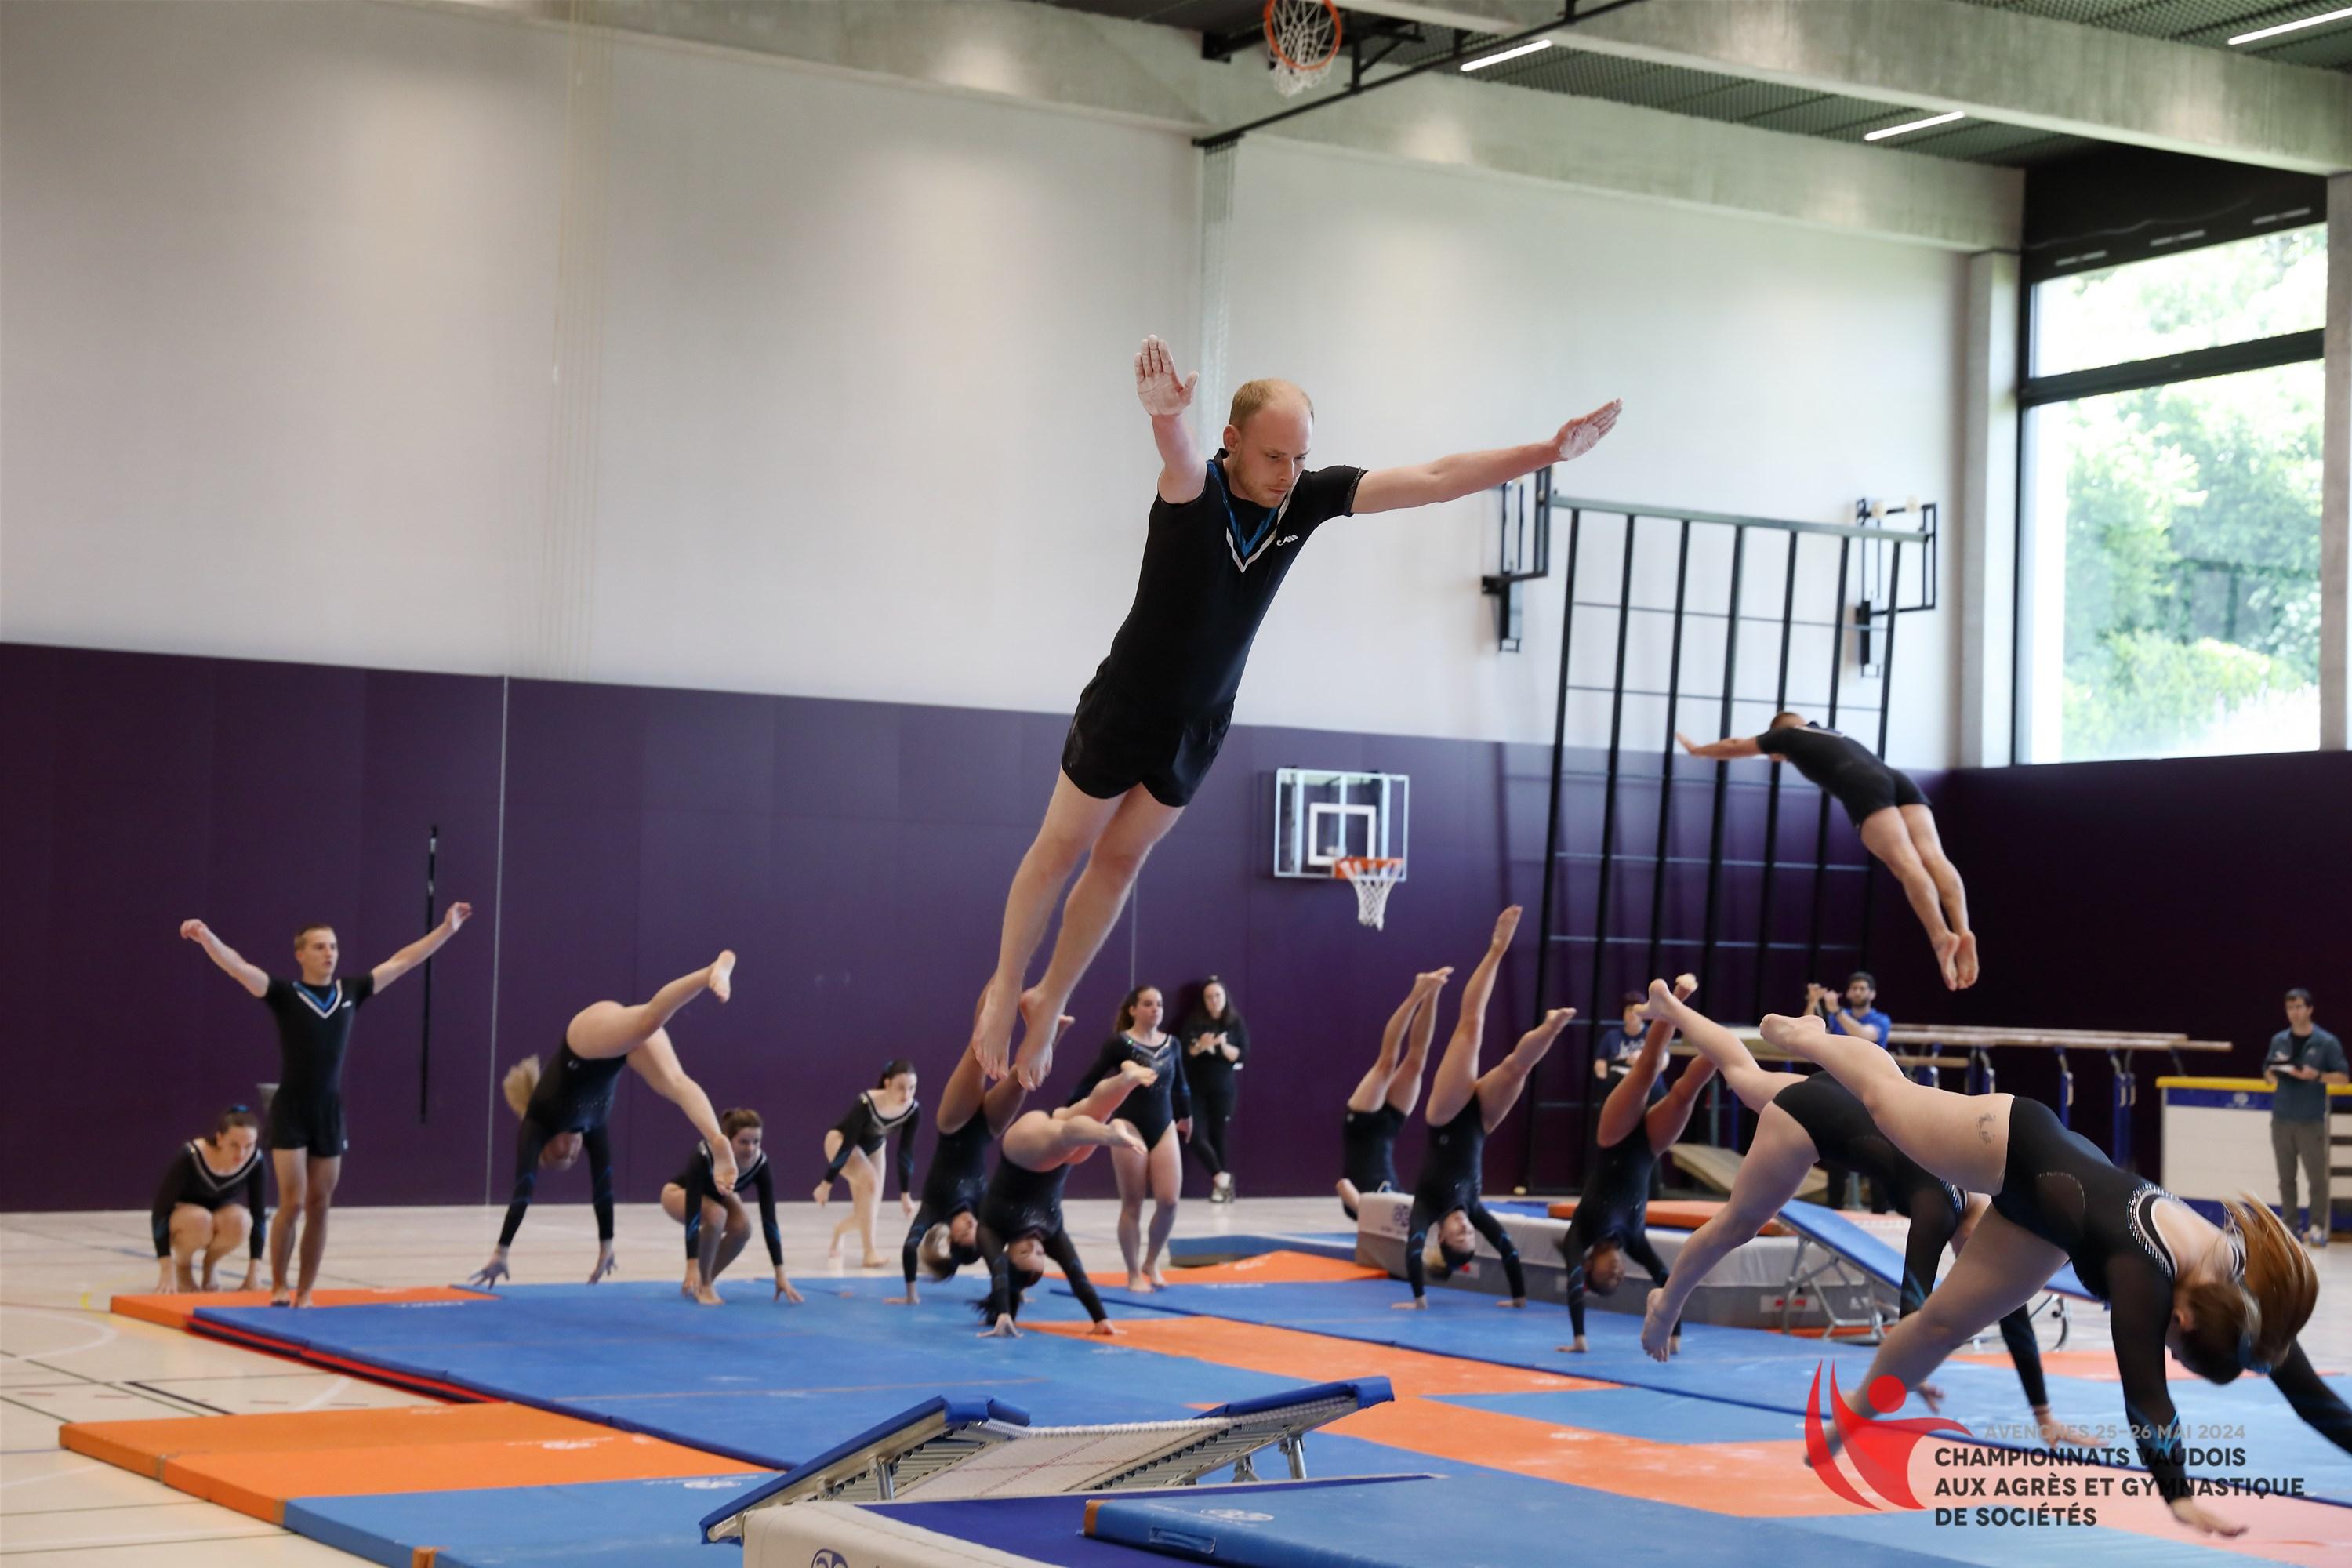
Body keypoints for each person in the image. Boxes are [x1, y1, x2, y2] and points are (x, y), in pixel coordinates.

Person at [969, 339, 1623, 1090]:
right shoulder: (1195, 494)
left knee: (1120, 862)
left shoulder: (1304, 499)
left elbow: (1436, 479)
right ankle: (1005, 988)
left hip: (1200, 726)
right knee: (1063, 847)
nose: (1289, 473)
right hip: (1125, 705)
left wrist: (1548, 452)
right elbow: (1177, 456)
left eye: (1301, 457)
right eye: (1274, 456)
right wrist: (1164, 417)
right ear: (1233, 441)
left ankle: (1051, 997)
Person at [1761, 1008, 2349, 1537]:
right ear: (2183, 1317)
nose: (2165, 1349)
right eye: (2175, 1347)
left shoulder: (2249, 1314)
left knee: (1939, 1328)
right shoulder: (2143, 1277)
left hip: (2049, 1223)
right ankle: (1808, 1037)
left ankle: (1859, 1409)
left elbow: (2314, 1400)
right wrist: (2179, 1496)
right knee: (1887, 1100)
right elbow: (2147, 1396)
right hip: (2012, 1145)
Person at [1635, 983, 2093, 1449]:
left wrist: (2044, 1415)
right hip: (1806, 1125)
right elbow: (1915, 1316)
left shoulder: (1974, 1178)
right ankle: (1667, 1304)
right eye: (1972, 1250)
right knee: (1737, 1224)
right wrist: (1910, 1376)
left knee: (1743, 1072)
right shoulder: (1940, 1209)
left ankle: (1671, 1007)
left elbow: (2011, 1315)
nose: (1971, 1258)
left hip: (1847, 1088)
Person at [180, 906, 473, 1305]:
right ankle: (279, 1285)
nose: (329, 953)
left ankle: (305, 1291)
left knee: (320, 1204)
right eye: (319, 947)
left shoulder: (350, 991)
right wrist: (206, 937)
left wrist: (446, 929)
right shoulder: (285, 994)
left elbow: (404, 961)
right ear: (300, 954)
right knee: (293, 1202)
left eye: (333, 947)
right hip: (291, 1110)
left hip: (329, 1113)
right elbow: (238, 967)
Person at [468, 952, 737, 1288]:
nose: (571, 1152)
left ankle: (712, 970)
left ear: (546, 1144)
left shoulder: (538, 1120)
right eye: (573, 1158)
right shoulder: (591, 1128)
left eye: (560, 1154)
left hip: (583, 1042)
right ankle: (716, 1140)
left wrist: (502, 1251)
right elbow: (603, 1190)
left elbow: (523, 1191)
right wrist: (606, 1247)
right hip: (617, 1053)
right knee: (675, 1083)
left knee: (648, 1022)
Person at [1676, 713, 1975, 990]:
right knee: (1934, 857)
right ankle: (1962, 929)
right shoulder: (1831, 733)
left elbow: (1736, 745)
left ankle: (1940, 936)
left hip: (1862, 784)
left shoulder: (1786, 735)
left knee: (1907, 865)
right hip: (1898, 779)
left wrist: (1698, 750)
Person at [1399, 906, 1574, 1310]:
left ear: (1441, 1237)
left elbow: (1412, 1250)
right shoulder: (1475, 1210)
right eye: (1470, 1236)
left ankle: (1497, 948)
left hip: (1446, 1115)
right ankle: (1552, 1027)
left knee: (1471, 1027)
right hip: (1481, 1122)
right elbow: (1508, 1248)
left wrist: (1419, 1298)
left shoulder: (1426, 1206)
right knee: (1517, 1067)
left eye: (1458, 1236)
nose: (1466, 1229)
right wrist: (1518, 1298)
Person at [1555, 975, 1713, 1354]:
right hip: (1648, 1149)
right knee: (1684, 1094)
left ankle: (1676, 997)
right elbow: (1668, 1280)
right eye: (1620, 1279)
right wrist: (1674, 1336)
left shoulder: (1580, 1236)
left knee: (1645, 1071)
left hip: (1614, 1135)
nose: (1617, 1273)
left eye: (1606, 1277)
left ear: (1589, 1268)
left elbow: (1573, 1285)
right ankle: (1721, 1044)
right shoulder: (1635, 1242)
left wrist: (1579, 1340)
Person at [974, 1062, 1161, 1338]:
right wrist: (1101, 1319)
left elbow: (999, 1273)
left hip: (1022, 1150)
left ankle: (1111, 1134)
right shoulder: (1052, 1233)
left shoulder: (992, 1228)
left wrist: (1004, 1314)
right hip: (1062, 1155)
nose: (1034, 1248)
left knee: (1066, 1137)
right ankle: (1127, 1079)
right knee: (1096, 1111)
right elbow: (1078, 1278)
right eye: (1040, 1255)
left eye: (1024, 1254)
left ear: (1008, 1254)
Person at [889, 1021, 1057, 1307]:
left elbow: (909, 1246)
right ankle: (1052, 1029)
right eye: (974, 1230)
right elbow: (1005, 1250)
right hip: (987, 1128)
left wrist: (911, 1295)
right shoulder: (985, 1212)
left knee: (980, 1050)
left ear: (949, 1239)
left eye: (964, 1232)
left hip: (953, 1123)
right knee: (1024, 1078)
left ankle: (996, 1007)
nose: (971, 1224)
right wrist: (1016, 1291)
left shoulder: (934, 1208)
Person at [1065, 986, 1189, 1293]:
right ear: (1133, 1010)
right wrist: (1071, 1112)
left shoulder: (1172, 1044)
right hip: (1129, 1124)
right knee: (1132, 1203)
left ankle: (1151, 1262)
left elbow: (1181, 1085)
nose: (1155, 1009)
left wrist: (1186, 1115)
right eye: (1148, 1004)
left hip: (1164, 1125)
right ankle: (1133, 1272)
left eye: (1159, 1004)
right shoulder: (1119, 1043)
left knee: (1169, 1201)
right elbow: (1089, 1080)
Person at [1338, 967, 1452, 1220]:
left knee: (1386, 1062)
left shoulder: (1358, 1209)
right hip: (1388, 1129)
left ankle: (1416, 994)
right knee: (1417, 1061)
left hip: (1361, 1126)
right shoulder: (1400, 1202)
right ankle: (1432, 992)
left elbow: (1342, 1186)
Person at [662, 1109, 800, 1305]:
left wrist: (781, 1274)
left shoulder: (760, 1164)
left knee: (743, 1228)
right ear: (727, 1140)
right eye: (743, 1142)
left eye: (756, 1142)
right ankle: (705, 1284)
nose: (751, 1149)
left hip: (720, 1195)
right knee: (717, 1215)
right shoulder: (705, 1154)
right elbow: (693, 1208)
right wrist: (691, 1264)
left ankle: (704, 1281)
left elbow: (770, 1220)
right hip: (678, 1193)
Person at [814, 1062, 921, 1269]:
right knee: (871, 1182)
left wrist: (905, 1194)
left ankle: (839, 1231)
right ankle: (870, 1254)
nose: (907, 1094)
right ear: (887, 1084)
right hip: (840, 1143)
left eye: (912, 1088)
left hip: (875, 1149)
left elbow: (905, 1153)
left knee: (867, 1213)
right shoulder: (866, 1102)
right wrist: (826, 1184)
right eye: (901, 1087)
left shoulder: (912, 1111)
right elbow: (848, 1144)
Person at [151, 1106, 267, 1294]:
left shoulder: (255, 1161)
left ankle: (211, 1263)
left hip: (219, 1214)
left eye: (249, 1146)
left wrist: (255, 1272)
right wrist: (166, 1268)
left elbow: (259, 1216)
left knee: (242, 1220)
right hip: (185, 1218)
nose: (241, 1154)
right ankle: (184, 1266)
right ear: (220, 1139)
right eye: (234, 1145)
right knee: (200, 1220)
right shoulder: (192, 1154)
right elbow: (160, 1212)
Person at [2266, 987, 2346, 1247]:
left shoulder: (2326, 1042)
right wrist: (2274, 1075)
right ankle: (2291, 1225)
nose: (2294, 1012)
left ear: (2310, 1009)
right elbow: (2267, 1071)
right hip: (2282, 1118)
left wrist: (2317, 1076)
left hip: (2311, 1120)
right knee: (2285, 1177)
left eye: (2299, 1007)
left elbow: (2343, 1078)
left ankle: (2317, 1226)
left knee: (2316, 1178)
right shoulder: (2279, 1040)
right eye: (2290, 1008)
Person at [1807, 973, 1893, 1211]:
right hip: (1841, 1091)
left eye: (1862, 988)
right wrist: (1813, 1003)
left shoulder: (1880, 1020)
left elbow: (1864, 1035)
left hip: (1871, 1093)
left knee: (1877, 1154)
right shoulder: (1838, 1017)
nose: (1857, 992)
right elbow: (1809, 1034)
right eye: (1854, 988)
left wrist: (1836, 1013)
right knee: (1836, 1153)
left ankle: (1880, 1213)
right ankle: (1834, 1209)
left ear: (1872, 993)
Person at [1179, 977, 1249, 1203]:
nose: (1214, 1000)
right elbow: (1185, 1051)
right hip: (1196, 1088)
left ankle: (1220, 1188)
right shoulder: (1194, 1022)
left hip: (1223, 1089)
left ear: (1225, 997)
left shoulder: (1235, 1023)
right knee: (1193, 1132)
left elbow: (1241, 1055)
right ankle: (1222, 1177)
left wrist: (1222, 1045)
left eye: (1217, 996)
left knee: (1218, 1136)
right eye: (1209, 997)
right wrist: (1202, 1045)